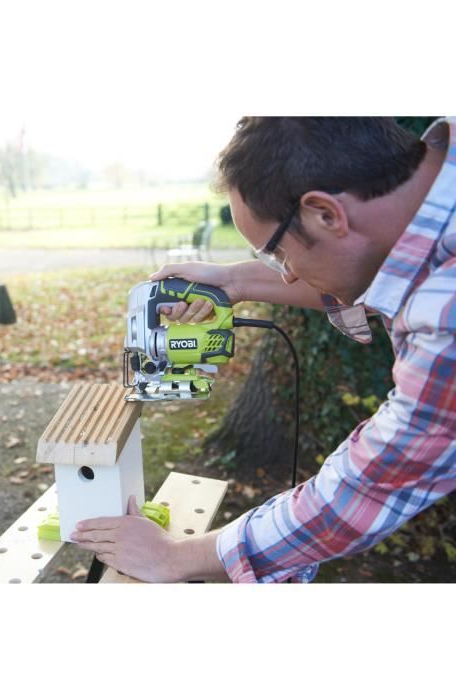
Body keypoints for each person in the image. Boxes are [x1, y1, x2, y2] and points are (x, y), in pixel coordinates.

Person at [71, 117, 456, 583]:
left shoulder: (446, 312)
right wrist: (235, 280)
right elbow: (379, 264)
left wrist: (176, 557)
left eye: (279, 253)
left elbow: (369, 488)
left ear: (326, 213)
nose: (286, 274)